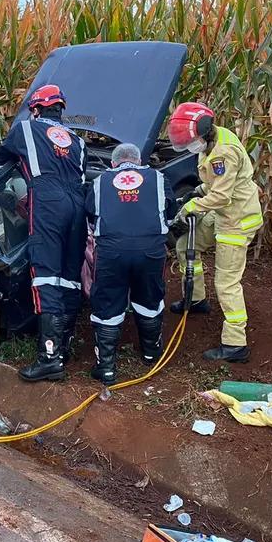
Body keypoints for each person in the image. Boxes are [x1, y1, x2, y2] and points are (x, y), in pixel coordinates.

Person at [0, 84, 87, 382]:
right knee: (69, 278)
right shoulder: (78, 141)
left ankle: (49, 359)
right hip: (78, 205)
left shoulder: (25, 129)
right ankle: (63, 348)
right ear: (60, 110)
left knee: (45, 277)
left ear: (35, 109)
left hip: (47, 203)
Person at [167, 102, 263, 363]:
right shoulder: (211, 142)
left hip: (237, 219)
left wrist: (191, 206)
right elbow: (215, 184)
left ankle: (235, 343)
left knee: (226, 282)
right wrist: (197, 191)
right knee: (185, 245)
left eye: (191, 141)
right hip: (222, 213)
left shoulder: (224, 153)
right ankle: (196, 300)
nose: (190, 146)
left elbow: (221, 195)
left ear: (203, 131)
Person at [84, 143, 175, 385]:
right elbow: (170, 211)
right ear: (139, 161)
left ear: (113, 163)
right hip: (150, 251)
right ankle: (151, 354)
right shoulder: (158, 178)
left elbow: (90, 213)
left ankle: (106, 368)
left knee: (108, 302)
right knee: (149, 297)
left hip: (111, 252)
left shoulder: (99, 181)